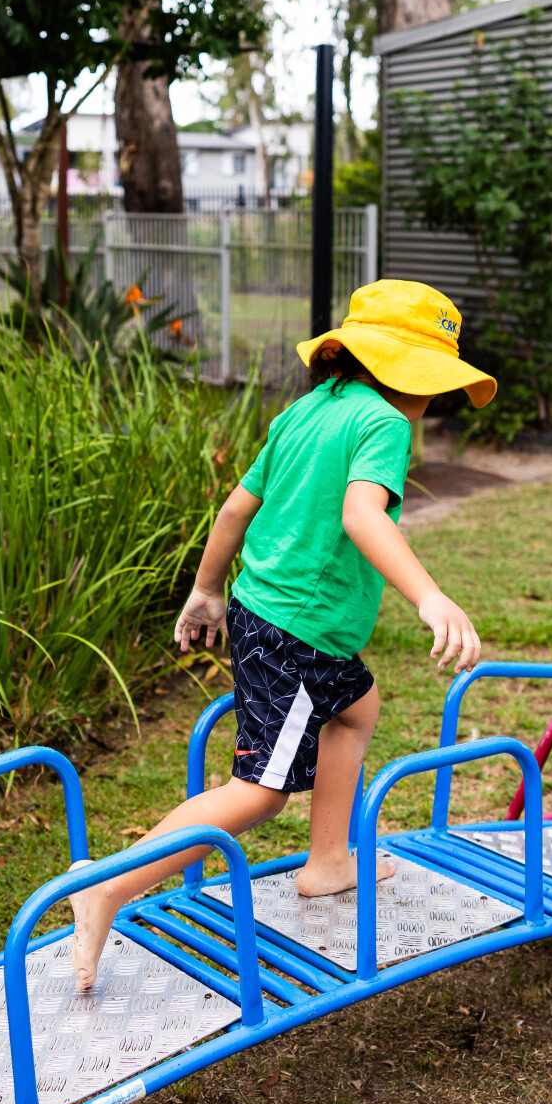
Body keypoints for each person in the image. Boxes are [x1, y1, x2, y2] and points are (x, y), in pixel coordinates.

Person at [67, 279, 495, 990]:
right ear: (400, 374)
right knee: (259, 793)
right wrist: (430, 595)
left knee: (357, 708)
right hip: (299, 632)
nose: (431, 404)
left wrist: (206, 591)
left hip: (267, 611)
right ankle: (107, 887)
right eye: (431, 386)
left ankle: (328, 862)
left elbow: (235, 509)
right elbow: (364, 517)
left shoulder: (304, 411)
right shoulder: (385, 425)